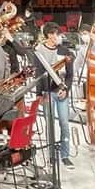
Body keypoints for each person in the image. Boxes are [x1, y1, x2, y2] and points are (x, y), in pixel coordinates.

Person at [34, 23, 76, 166]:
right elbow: (38, 74)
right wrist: (38, 94)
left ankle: (65, 154)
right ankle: (51, 155)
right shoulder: (39, 51)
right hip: (47, 92)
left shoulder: (65, 51)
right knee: (49, 125)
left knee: (64, 123)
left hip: (62, 92)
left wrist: (67, 89)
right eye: (57, 34)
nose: (60, 37)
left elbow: (70, 75)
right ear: (50, 35)